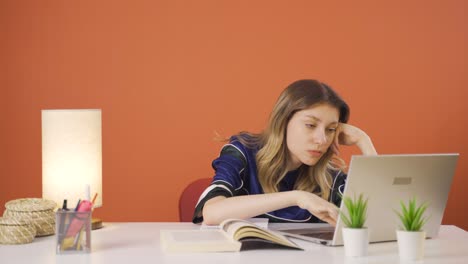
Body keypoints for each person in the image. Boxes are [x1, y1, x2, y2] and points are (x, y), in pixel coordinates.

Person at [192, 79, 377, 226]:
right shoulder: (242, 152)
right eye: (310, 125)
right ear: (283, 122)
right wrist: (298, 197)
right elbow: (212, 212)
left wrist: (364, 142)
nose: (322, 140)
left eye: (331, 129)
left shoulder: (328, 176)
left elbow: (377, 217)